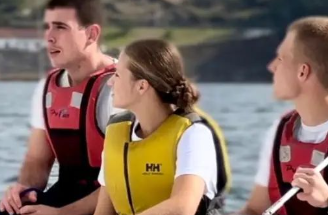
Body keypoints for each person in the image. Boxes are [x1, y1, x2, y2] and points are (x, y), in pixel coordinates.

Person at [0, 0, 117, 215]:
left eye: (60, 27)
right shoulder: (47, 87)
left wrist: (62, 214)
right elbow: (37, 160)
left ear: (91, 34)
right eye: (47, 27)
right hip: (61, 198)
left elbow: (127, 182)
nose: (49, 37)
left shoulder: (119, 89)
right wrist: (24, 190)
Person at [240, 16, 328, 215]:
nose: (272, 67)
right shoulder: (279, 130)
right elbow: (255, 210)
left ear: (302, 72)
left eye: (280, 58)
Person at [95, 39, 230, 215]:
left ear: (142, 86)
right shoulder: (115, 133)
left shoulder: (193, 135)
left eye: (118, 75)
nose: (110, 82)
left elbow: (182, 208)